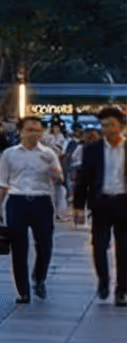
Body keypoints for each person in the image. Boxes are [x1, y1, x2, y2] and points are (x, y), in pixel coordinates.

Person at [0, 115, 67, 304]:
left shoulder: (48, 154)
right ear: (20, 131)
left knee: (45, 245)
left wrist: (54, 173)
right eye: (29, 130)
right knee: (19, 247)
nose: (34, 134)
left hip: (42, 201)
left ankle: (39, 277)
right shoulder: (9, 154)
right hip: (17, 201)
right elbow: (1, 183)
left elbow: (60, 179)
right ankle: (23, 291)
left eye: (37, 130)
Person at [69, 106, 127, 306]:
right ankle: (103, 280)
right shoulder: (92, 150)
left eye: (111, 125)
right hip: (101, 203)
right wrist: (78, 207)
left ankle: (122, 289)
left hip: (124, 203)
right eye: (104, 126)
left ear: (121, 125)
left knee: (124, 249)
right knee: (99, 246)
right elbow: (83, 179)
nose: (108, 129)